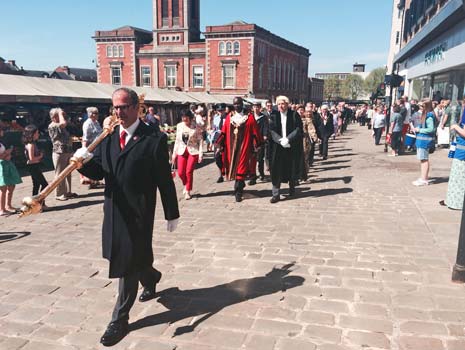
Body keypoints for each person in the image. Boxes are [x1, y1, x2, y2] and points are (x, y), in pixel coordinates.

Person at [75, 87, 180, 346]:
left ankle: (119, 319)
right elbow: (100, 171)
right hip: (114, 208)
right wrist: (85, 161)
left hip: (139, 211)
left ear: (136, 108)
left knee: (126, 262)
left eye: (122, 107)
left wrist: (171, 212)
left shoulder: (152, 139)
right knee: (128, 256)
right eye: (115, 108)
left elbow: (164, 180)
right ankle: (151, 277)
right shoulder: (108, 137)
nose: (118, 112)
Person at [216, 97, 262, 202]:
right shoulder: (229, 116)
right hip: (231, 148)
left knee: (241, 169)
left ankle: (238, 191)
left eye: (239, 104)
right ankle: (240, 185)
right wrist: (220, 145)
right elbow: (224, 131)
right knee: (234, 169)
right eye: (235, 104)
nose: (237, 106)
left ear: (242, 104)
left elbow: (255, 131)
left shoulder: (249, 116)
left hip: (244, 147)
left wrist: (256, 145)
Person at [268, 96, 303, 203]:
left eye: (283, 104)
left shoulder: (294, 114)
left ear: (287, 104)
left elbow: (298, 129)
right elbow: (271, 130)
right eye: (279, 104)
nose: (281, 106)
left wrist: (288, 139)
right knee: (276, 169)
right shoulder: (274, 115)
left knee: (291, 168)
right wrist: (279, 140)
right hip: (277, 147)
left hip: (291, 146)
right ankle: (276, 194)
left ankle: (292, 188)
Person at [172, 109, 203, 200]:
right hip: (181, 150)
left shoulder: (196, 127)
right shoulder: (179, 126)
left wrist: (200, 153)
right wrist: (174, 154)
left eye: (186, 117)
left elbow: (200, 140)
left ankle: (188, 190)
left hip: (193, 151)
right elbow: (177, 140)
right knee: (181, 172)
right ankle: (186, 184)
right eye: (183, 117)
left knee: (189, 171)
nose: (184, 119)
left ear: (190, 118)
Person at [48, 108, 77, 201]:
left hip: (67, 151)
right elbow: (63, 124)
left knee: (68, 172)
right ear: (54, 116)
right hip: (59, 152)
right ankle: (59, 194)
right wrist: (60, 112)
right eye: (59, 115)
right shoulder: (52, 125)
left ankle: (68, 191)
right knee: (60, 174)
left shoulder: (60, 125)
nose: (62, 116)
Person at [411, 99, 436, 186]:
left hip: (424, 141)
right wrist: (417, 127)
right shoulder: (426, 115)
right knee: (423, 159)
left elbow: (431, 129)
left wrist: (419, 129)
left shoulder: (429, 116)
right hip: (422, 140)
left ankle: (424, 178)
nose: (420, 108)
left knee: (424, 159)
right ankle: (423, 177)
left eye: (422, 106)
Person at [22, 124, 48, 202]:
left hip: (32, 166)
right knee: (45, 185)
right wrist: (40, 156)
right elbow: (31, 159)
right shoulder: (31, 145)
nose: (38, 134)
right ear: (32, 134)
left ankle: (34, 203)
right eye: (37, 133)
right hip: (33, 166)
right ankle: (40, 202)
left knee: (36, 185)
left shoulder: (31, 144)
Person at [442, 120, 465, 209]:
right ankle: (451, 200)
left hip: (462, 153)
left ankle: (456, 203)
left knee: (458, 180)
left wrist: (455, 127)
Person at [0, 127, 22, 216]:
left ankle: (8, 205)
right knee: (3, 188)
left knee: (11, 186)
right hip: (2, 166)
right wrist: (8, 152)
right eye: (1, 130)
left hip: (7, 164)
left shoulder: (1, 142)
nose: (3, 132)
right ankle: (2, 209)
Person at [81, 107, 103, 189]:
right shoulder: (87, 124)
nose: (97, 115)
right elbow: (85, 137)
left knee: (97, 162)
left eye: (97, 113)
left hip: (98, 146)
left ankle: (95, 181)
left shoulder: (96, 122)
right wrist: (84, 149)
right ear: (90, 114)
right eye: (95, 113)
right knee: (91, 163)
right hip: (91, 147)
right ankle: (91, 182)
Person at [249, 102, 269, 184]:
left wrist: (265, 135)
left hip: (260, 141)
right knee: (251, 160)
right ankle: (252, 177)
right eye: (254, 107)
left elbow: (265, 127)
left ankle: (261, 174)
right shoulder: (249, 117)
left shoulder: (263, 117)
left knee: (260, 159)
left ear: (260, 108)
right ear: (252, 108)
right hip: (251, 141)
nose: (256, 109)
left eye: (257, 107)